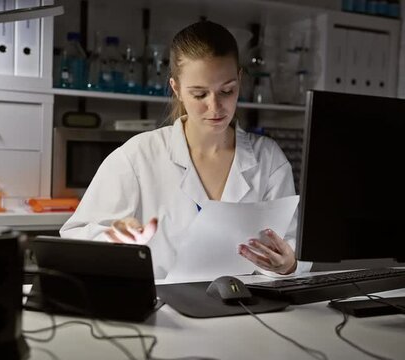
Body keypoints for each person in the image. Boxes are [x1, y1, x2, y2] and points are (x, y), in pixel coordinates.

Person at [60, 20, 310, 279]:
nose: (215, 107)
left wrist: (287, 265)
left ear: (240, 80)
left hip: (243, 307)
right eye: (199, 94)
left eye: (227, 91)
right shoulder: (137, 156)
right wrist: (115, 241)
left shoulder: (268, 160)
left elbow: (291, 249)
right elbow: (75, 237)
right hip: (161, 309)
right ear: (176, 88)